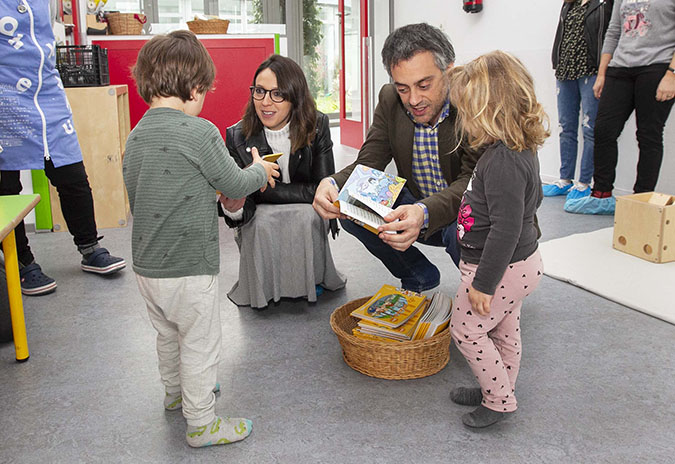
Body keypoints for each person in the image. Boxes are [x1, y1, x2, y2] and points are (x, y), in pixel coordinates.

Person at [122, 30, 279, 448]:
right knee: (200, 342)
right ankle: (201, 422)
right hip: (190, 266)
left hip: (147, 267)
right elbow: (231, 181)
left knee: (167, 334)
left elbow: (140, 192)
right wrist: (260, 171)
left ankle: (176, 394)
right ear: (194, 88)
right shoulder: (200, 132)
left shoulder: (135, 136)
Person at [312, 23, 482, 293]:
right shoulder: (390, 100)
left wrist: (423, 212)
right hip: (415, 206)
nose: (413, 99)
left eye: (424, 85)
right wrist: (333, 183)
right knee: (352, 200)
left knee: (465, 226)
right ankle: (418, 274)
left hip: (462, 210)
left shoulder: (474, 102)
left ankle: (483, 293)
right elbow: (368, 162)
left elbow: (472, 183)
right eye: (403, 88)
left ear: (449, 71)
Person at [447, 51, 547, 429]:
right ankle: (497, 385)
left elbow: (505, 230)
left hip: (499, 270)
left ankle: (499, 399)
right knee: (505, 331)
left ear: (492, 110)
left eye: (469, 112)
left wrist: (483, 284)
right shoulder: (514, 150)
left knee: (466, 330)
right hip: (519, 267)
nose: (466, 122)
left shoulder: (502, 161)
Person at [0, 0, 126, 296]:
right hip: (4, 95)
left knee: (72, 174)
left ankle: (90, 248)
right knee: (6, 187)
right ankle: (21, 262)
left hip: (47, 92)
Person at [220, 55, 346, 309]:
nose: (265, 102)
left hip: (306, 210)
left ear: (294, 97)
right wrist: (233, 205)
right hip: (259, 214)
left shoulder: (318, 125)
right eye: (259, 91)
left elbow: (324, 187)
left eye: (277, 94)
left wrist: (260, 189)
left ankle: (312, 277)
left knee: (307, 215)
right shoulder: (237, 136)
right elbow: (240, 202)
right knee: (261, 221)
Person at [565, 0, 675, 215]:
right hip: (620, 68)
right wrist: (603, 73)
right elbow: (613, 31)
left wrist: (672, 74)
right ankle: (602, 195)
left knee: (648, 135)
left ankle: (641, 199)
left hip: (657, 67)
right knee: (603, 131)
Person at [545, 0, 613, 204]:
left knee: (589, 128)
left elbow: (610, 35)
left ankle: (584, 182)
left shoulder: (604, 3)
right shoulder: (569, 4)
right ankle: (565, 179)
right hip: (566, 71)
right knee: (566, 127)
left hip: (591, 70)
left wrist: (604, 71)